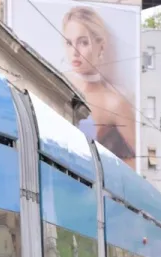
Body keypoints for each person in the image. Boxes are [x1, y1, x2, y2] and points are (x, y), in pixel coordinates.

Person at [62, 6, 135, 163]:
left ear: (100, 46)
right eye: (69, 43)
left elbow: (137, 161)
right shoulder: (55, 80)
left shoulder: (114, 103)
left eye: (83, 42)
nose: (74, 51)